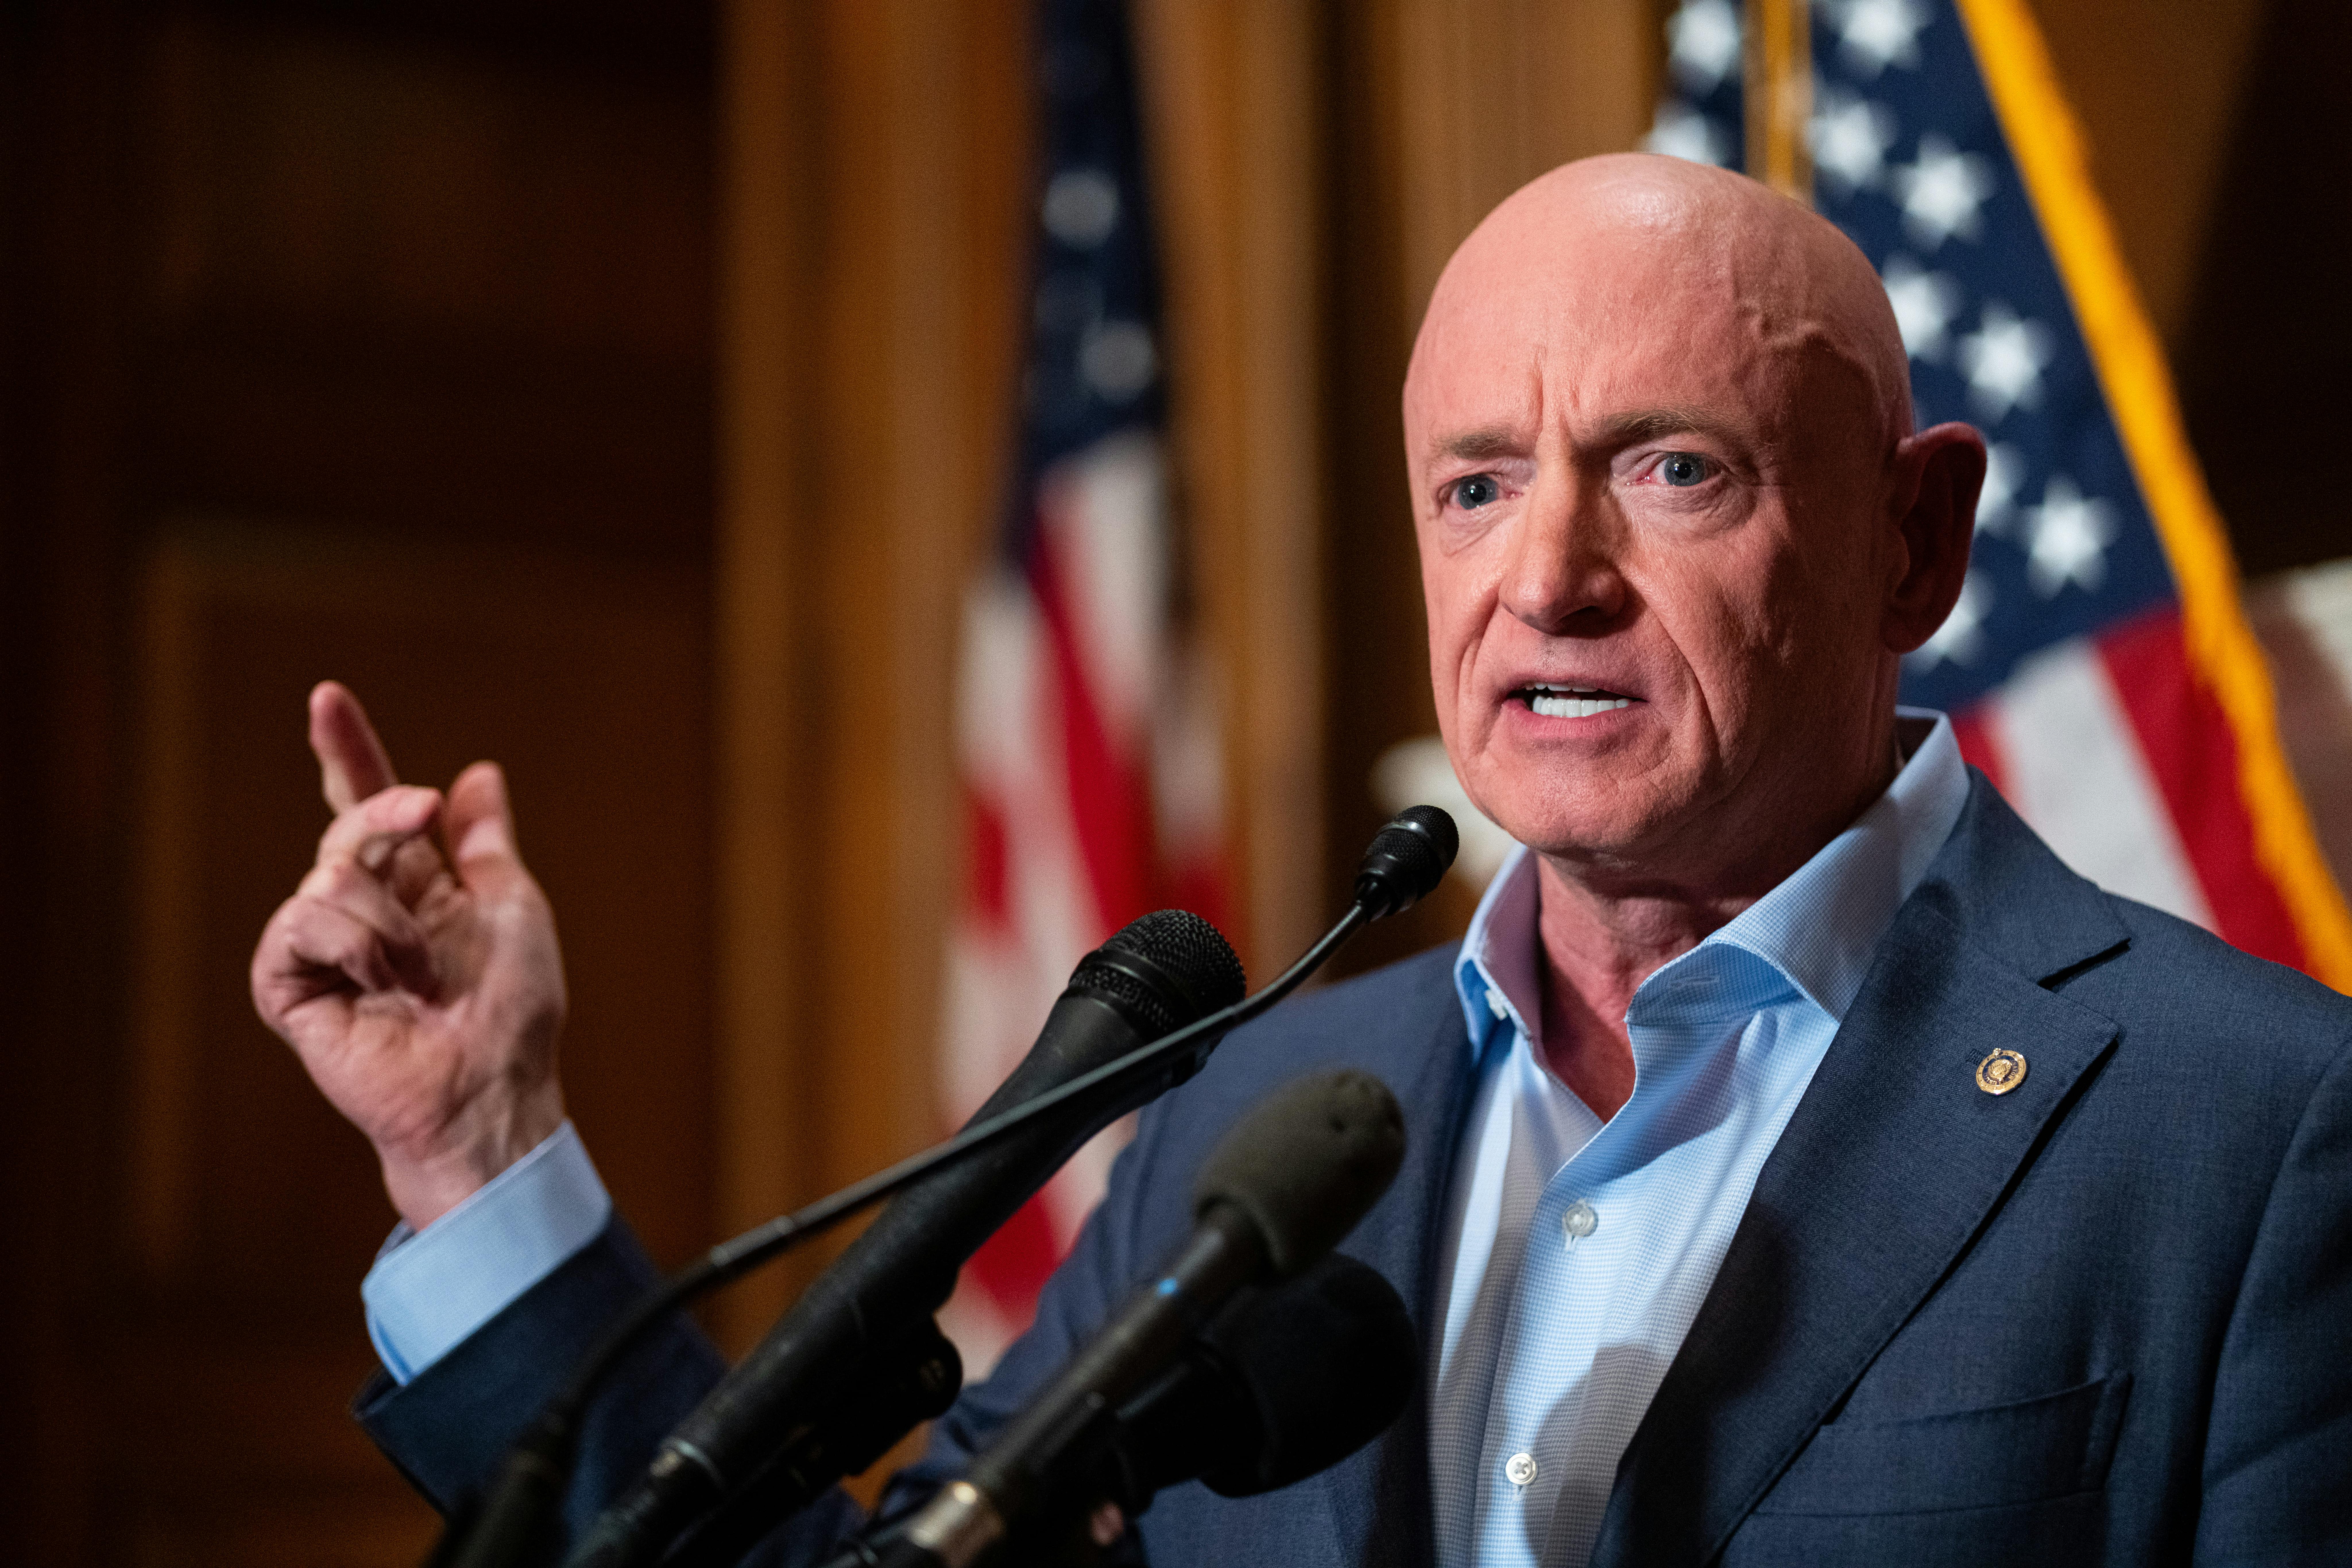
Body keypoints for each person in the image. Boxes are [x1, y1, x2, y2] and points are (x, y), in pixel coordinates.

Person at [252, 154, 2352, 1566]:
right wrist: (475, 1148)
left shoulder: (2247, 1130)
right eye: (1474, 484)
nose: (1550, 578)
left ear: (1916, 538)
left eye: (1673, 469)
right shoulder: (1253, 1127)